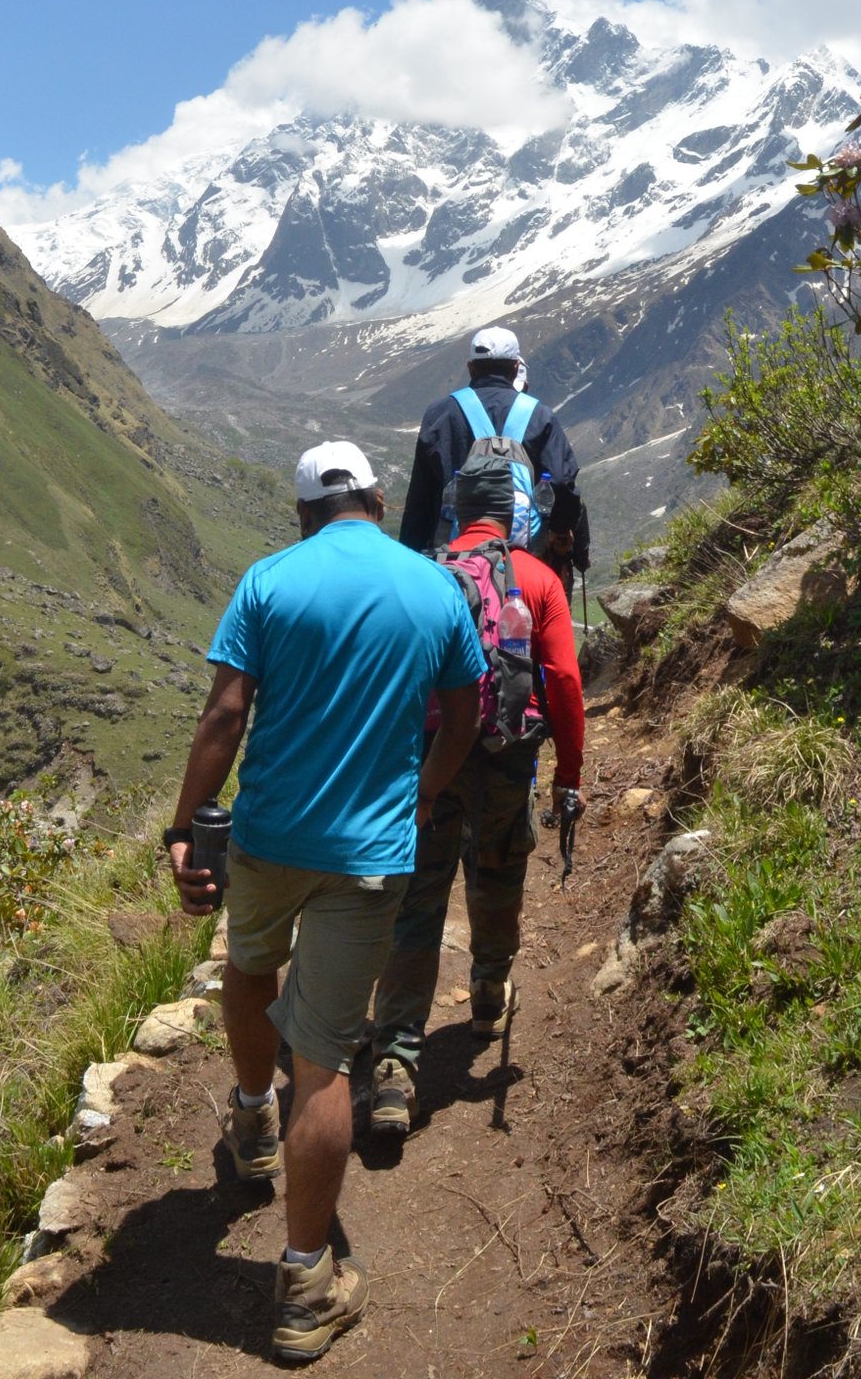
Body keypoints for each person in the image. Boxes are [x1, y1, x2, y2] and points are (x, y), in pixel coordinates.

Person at [167, 440, 484, 1364]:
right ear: (381, 500)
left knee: (250, 966)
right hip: (369, 857)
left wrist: (183, 828)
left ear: (304, 511)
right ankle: (306, 1282)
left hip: (267, 839)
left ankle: (252, 1123)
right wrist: (422, 794)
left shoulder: (268, 581)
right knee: (327, 1061)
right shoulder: (434, 588)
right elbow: (464, 715)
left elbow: (226, 713)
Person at [369, 446, 586, 1134]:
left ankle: (394, 1066)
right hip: (505, 757)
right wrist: (569, 777)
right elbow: (565, 685)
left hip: (428, 764)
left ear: (456, 510)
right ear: (516, 508)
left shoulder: (421, 575)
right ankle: (490, 991)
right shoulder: (538, 579)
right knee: (497, 874)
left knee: (416, 904)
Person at [399, 325, 591, 592]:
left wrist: (412, 556)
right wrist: (558, 531)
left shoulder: (440, 414)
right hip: (522, 557)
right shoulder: (539, 415)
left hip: (451, 561)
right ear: (515, 368)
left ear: (470, 368)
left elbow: (420, 497)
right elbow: (562, 482)